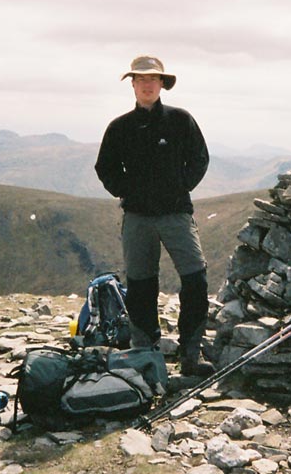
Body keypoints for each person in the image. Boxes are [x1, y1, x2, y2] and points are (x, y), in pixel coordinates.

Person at [95, 55, 215, 377]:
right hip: (137, 217)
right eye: (141, 79)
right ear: (132, 84)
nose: (147, 85)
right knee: (140, 284)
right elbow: (104, 168)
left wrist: (180, 187)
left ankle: (191, 351)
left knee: (195, 278)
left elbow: (200, 158)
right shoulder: (119, 128)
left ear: (162, 84)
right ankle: (145, 351)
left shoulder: (181, 120)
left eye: (153, 79)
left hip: (176, 213)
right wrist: (126, 192)